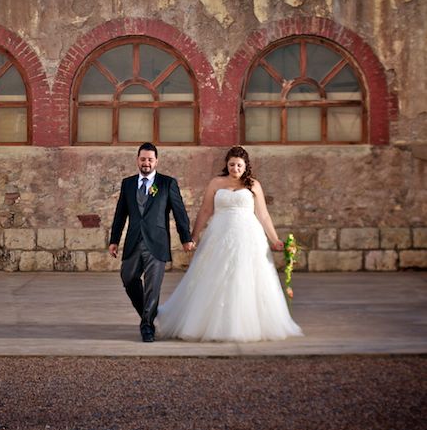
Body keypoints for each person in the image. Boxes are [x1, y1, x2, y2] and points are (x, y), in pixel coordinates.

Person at [156, 145, 303, 342]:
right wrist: (194, 235)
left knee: (245, 277)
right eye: (232, 164)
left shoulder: (253, 185)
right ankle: (205, 323)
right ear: (227, 164)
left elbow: (263, 215)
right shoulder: (216, 183)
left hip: (248, 236)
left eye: (239, 165)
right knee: (213, 275)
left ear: (245, 166)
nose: (235, 168)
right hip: (219, 235)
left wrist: (275, 239)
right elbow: (206, 210)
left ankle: (242, 325)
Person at [108, 142, 195, 342]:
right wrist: (114, 240)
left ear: (156, 161)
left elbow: (179, 212)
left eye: (150, 159)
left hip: (157, 242)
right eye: (143, 159)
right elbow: (121, 213)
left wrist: (186, 238)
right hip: (133, 241)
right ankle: (148, 314)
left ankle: (147, 325)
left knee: (152, 286)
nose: (146, 163)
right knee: (128, 278)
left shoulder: (167, 183)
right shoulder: (128, 183)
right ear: (137, 160)